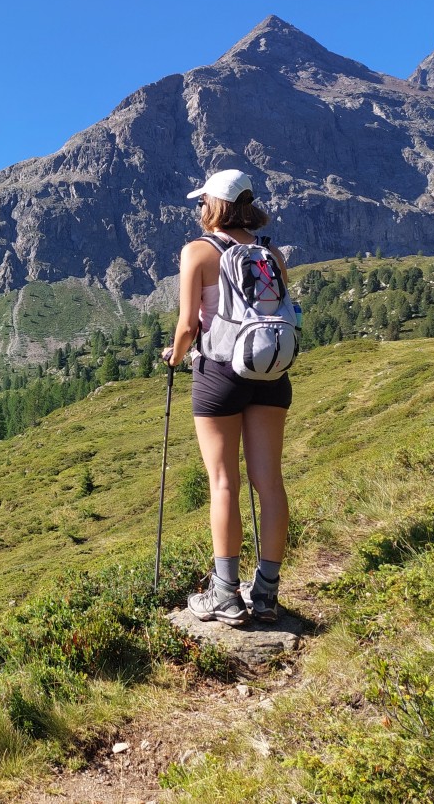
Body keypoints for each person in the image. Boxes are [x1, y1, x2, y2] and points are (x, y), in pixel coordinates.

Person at [161, 169, 291, 626]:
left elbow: (188, 327)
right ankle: (268, 595)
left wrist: (174, 357)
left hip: (220, 373)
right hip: (270, 373)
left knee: (223, 483)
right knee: (269, 482)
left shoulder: (198, 251)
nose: (199, 209)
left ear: (216, 205)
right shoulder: (270, 252)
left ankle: (225, 596)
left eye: (203, 202)